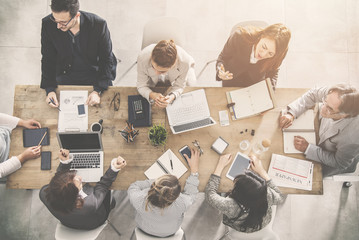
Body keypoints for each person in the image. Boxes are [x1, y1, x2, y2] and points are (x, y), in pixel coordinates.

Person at [40, 0, 117, 107]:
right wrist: (50, 90)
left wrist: (98, 90)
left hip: (94, 74)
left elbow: (106, 59)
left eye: (63, 22)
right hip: (65, 74)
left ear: (77, 15)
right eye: (55, 20)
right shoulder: (48, 23)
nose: (58, 26)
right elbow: (48, 58)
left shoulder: (98, 24)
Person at [279, 84, 359, 176]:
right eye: (324, 101)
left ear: (345, 114)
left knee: (302, 173)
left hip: (330, 157)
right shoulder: (336, 94)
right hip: (319, 130)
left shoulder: (352, 138)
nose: (323, 108)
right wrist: (292, 113)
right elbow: (313, 94)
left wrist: (308, 148)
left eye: (329, 108)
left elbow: (340, 162)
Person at [39, 149, 126, 230]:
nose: (80, 177)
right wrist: (114, 169)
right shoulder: (90, 205)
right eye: (80, 184)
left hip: (68, 222)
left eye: (73, 177)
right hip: (94, 223)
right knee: (106, 193)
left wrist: (65, 163)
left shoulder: (43, 193)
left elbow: (58, 181)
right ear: (75, 197)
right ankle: (111, 203)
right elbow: (103, 186)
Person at [128, 148, 200, 237]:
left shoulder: (139, 199)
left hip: (144, 229)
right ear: (176, 197)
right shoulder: (182, 203)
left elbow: (133, 186)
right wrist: (194, 172)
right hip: (170, 232)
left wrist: (155, 182)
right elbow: (191, 194)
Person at [205, 154, 284, 233]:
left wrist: (220, 165)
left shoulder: (230, 205)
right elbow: (280, 197)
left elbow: (210, 195)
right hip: (261, 222)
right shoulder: (267, 194)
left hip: (239, 225)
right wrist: (262, 171)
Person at [216, 23, 291, 89]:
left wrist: (270, 90)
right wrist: (220, 71)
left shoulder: (280, 53)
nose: (263, 54)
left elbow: (273, 71)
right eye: (264, 47)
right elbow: (223, 58)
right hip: (232, 80)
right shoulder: (239, 37)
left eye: (270, 53)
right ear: (261, 36)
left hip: (255, 85)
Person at [136, 39, 196, 108]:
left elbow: (180, 86)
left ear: (173, 65)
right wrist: (152, 94)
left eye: (162, 71)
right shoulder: (142, 57)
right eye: (153, 66)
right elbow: (141, 85)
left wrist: (171, 97)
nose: (156, 73)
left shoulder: (185, 62)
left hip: (185, 68)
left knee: (191, 86)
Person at [0, 113, 41, 178]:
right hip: (9, 162)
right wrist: (23, 157)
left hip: (7, 133)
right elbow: (1, 170)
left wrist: (22, 122)